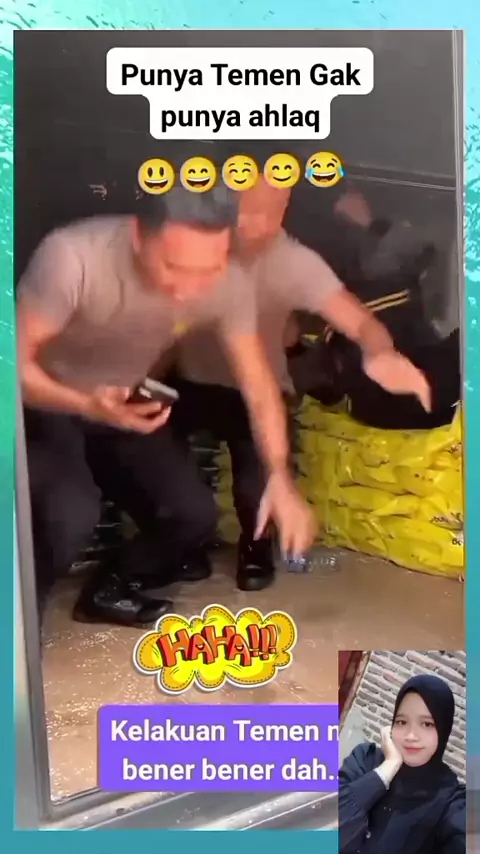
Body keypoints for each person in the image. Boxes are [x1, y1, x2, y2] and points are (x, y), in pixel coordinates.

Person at [18, 185, 315, 627]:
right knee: (68, 515)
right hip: (47, 402)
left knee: (193, 515)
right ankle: (17, 626)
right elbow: (14, 366)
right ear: (139, 237)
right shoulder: (71, 257)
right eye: (175, 267)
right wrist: (85, 402)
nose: (190, 289)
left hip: (122, 407)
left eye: (209, 269)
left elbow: (259, 385)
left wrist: (279, 476)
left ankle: (109, 589)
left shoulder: (229, 280)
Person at [170, 178, 431, 592]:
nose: (256, 224)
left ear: (285, 206)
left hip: (255, 392)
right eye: (245, 209)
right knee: (161, 471)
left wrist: (380, 351)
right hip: (188, 381)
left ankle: (255, 549)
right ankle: (182, 545)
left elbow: (359, 320)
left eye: (270, 211)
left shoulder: (293, 261)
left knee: (256, 476)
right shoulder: (189, 246)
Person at [339, 674, 466, 854]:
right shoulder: (365, 760)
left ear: (444, 728)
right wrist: (386, 770)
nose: (411, 736)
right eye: (402, 722)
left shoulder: (451, 801)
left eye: (427, 724)